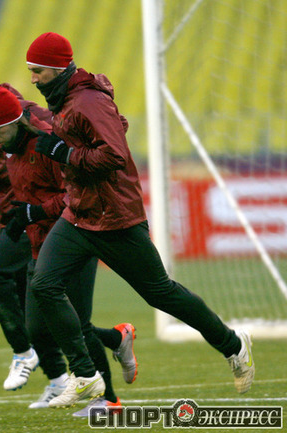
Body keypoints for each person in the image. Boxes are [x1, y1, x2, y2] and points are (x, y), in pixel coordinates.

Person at [23, 32, 255, 409]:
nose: (33, 78)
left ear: (58, 69)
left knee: (160, 293)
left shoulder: (87, 101)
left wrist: (65, 154)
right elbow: (111, 127)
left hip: (114, 218)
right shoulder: (65, 99)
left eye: (38, 71)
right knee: (44, 285)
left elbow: (114, 155)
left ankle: (233, 345)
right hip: (79, 214)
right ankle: (85, 376)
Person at [0, 77, 138, 408]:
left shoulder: (41, 132)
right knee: (41, 325)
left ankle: (104, 399)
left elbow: (75, 189)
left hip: (69, 229)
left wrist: (35, 211)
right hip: (25, 225)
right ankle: (99, 350)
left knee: (3, 278)